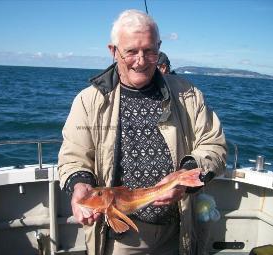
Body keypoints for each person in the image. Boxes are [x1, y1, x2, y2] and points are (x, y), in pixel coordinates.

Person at [58, 9, 227, 255]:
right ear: (113, 51)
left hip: (178, 229)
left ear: (159, 47)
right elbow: (74, 155)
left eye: (149, 50)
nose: (141, 60)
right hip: (120, 237)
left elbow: (214, 145)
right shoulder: (89, 101)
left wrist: (185, 175)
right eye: (131, 51)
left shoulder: (188, 95)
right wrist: (80, 184)